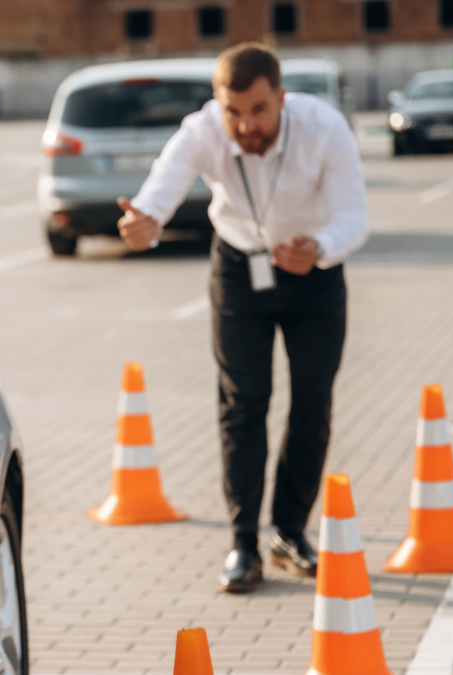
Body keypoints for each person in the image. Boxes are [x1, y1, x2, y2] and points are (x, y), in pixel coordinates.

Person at [117, 43, 368, 593]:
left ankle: (289, 532)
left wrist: (321, 246)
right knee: (243, 403)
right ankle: (244, 544)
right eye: (232, 111)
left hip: (313, 269)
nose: (245, 125)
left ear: (281, 99)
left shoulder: (324, 128)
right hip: (238, 268)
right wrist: (147, 221)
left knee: (311, 402)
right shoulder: (203, 131)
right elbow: (162, 186)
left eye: (258, 110)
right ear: (218, 104)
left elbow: (356, 217)